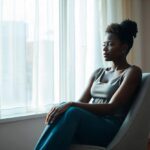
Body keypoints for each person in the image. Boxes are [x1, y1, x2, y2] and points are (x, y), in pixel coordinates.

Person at [34, 19, 142, 150]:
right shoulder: (98, 73)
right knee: (63, 107)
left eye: (110, 44)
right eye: (104, 44)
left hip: (110, 129)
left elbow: (111, 107)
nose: (104, 48)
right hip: (92, 123)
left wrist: (71, 104)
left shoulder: (132, 72)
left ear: (124, 48)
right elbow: (82, 101)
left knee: (72, 111)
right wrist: (65, 105)